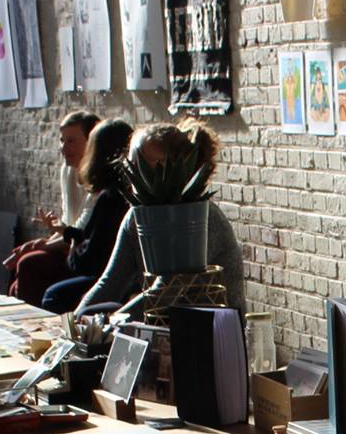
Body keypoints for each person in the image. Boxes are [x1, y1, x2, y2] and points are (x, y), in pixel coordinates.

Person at [68, 120, 246, 315]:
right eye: (131, 163)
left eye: (144, 164)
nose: (133, 172)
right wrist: (75, 320)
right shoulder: (136, 217)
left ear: (174, 166)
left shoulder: (201, 218)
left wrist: (116, 320)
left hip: (216, 327)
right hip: (160, 325)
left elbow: (169, 288)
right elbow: (111, 282)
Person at [37, 118, 134, 314]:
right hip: (118, 273)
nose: (65, 148)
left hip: (113, 276)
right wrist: (65, 234)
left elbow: (90, 259)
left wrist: (72, 244)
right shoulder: (123, 191)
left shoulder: (111, 197)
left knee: (53, 295)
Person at [4, 110, 99, 307]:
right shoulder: (68, 171)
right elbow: (67, 223)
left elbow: (79, 231)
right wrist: (45, 241)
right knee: (16, 283)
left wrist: (40, 245)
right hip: (68, 245)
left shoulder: (98, 178)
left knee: (29, 262)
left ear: (90, 142)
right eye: (62, 141)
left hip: (84, 252)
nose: (64, 148)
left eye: (71, 141)